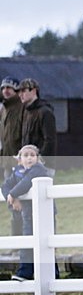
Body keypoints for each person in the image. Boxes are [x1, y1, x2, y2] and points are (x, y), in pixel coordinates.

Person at [2, 145, 50, 281]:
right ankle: (25, 273)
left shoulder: (38, 170)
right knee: (28, 242)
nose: (29, 158)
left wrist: (13, 193)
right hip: (28, 215)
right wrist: (12, 199)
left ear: (37, 158)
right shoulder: (17, 171)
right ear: (20, 159)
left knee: (46, 244)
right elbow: (5, 186)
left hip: (44, 214)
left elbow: (26, 183)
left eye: (32, 155)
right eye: (26, 155)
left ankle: (51, 274)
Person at [18, 78, 57, 174]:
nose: (20, 94)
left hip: (43, 166)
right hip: (27, 165)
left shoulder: (45, 112)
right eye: (19, 91)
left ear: (34, 91)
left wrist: (40, 160)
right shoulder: (26, 112)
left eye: (23, 90)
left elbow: (50, 140)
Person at [0, 77, 24, 238]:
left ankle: (23, 239)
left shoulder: (22, 109)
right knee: (11, 200)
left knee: (22, 200)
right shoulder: (4, 110)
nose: (6, 91)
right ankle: (17, 240)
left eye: (9, 88)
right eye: (3, 88)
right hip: (7, 161)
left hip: (20, 162)